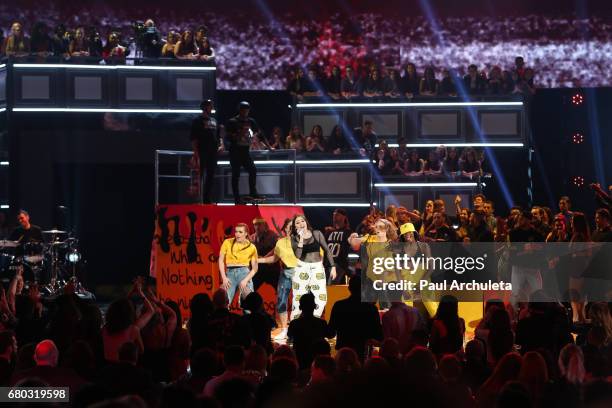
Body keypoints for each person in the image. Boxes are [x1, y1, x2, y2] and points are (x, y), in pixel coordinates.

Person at [258, 219, 298, 340]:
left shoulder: (301, 241)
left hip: (299, 272)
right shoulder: (280, 242)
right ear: (285, 228)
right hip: (285, 272)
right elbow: (274, 258)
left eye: (293, 227)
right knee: (281, 301)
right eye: (289, 227)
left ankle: (296, 330)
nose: (291, 229)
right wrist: (259, 260)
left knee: (298, 301)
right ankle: (284, 329)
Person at [290, 215, 336, 320]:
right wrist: (301, 238)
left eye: (302, 221)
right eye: (297, 222)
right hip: (302, 267)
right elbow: (297, 255)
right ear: (294, 226)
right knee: (298, 298)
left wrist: (332, 266)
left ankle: (314, 321)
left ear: (306, 222)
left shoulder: (317, 233)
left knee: (321, 298)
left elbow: (327, 250)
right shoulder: (294, 238)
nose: (301, 223)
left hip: (317, 267)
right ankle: (295, 325)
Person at [225, 101, 262, 204]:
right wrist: (240, 133)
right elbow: (227, 137)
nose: (246, 112)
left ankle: (253, 192)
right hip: (235, 151)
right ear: (240, 110)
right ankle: (237, 198)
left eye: (247, 110)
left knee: (253, 170)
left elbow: (260, 133)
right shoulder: (232, 121)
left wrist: (268, 146)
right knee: (236, 175)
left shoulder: (251, 121)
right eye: (244, 110)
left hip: (245, 151)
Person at [287, 293, 332, 370]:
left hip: (300, 360)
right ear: (314, 307)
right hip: (318, 363)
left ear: (300, 307)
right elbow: (331, 335)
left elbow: (290, 336)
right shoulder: (321, 323)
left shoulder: (294, 323)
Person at [218, 223, 258, 306]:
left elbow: (255, 268)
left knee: (249, 303)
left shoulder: (251, 247)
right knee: (222, 302)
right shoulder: (227, 242)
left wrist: (246, 280)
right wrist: (224, 278)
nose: (237, 234)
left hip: (244, 274)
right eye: (236, 232)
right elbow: (221, 260)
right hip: (230, 274)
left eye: (240, 232)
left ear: (246, 233)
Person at [191, 99, 221, 204]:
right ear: (204, 107)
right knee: (199, 176)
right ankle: (198, 199)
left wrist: (220, 145)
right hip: (202, 151)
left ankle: (207, 199)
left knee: (210, 176)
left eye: (212, 105)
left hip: (213, 153)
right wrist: (195, 152)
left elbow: (218, 136)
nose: (211, 107)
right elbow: (194, 138)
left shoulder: (214, 120)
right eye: (209, 106)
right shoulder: (197, 121)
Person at [324, 209, 352, 284]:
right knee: (325, 286)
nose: (335, 216)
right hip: (327, 263)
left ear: (344, 217)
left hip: (339, 263)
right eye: (334, 214)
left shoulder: (347, 232)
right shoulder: (329, 232)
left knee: (331, 286)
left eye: (337, 214)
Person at [249, 218, 278, 290]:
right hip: (258, 270)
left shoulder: (272, 235)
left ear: (264, 225)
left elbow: (278, 249)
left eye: (259, 224)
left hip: (271, 269)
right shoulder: (252, 238)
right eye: (255, 224)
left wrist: (265, 258)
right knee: (250, 290)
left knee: (279, 290)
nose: (257, 226)